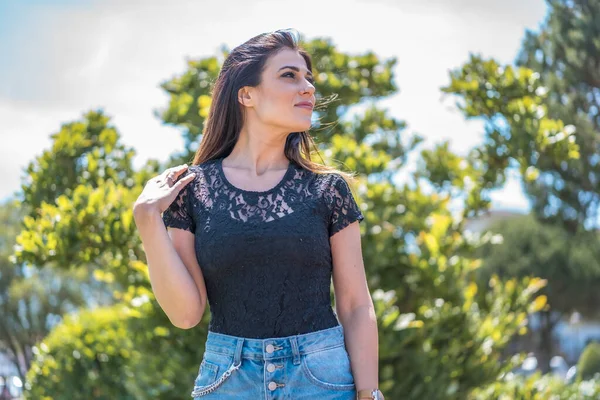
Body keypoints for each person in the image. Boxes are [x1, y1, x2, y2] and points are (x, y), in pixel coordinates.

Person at [133, 28, 384, 400]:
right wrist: (147, 219)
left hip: (322, 380)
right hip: (227, 381)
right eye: (289, 75)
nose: (308, 88)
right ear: (246, 94)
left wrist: (369, 393)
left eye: (308, 79)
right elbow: (186, 314)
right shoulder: (193, 190)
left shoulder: (329, 190)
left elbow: (355, 305)